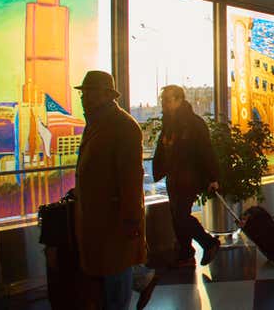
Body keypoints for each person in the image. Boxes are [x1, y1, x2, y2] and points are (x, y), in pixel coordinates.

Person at [73, 71, 146, 309]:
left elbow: (131, 180)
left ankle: (140, 283)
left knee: (116, 287)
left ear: (106, 95)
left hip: (115, 225)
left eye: (90, 93)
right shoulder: (96, 125)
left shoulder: (123, 127)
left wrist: (132, 221)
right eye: (83, 94)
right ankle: (141, 282)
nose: (84, 99)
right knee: (107, 288)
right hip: (98, 225)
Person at [152, 85, 221, 268]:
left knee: (181, 215)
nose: (164, 104)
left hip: (189, 177)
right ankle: (185, 253)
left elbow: (206, 151)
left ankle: (208, 243)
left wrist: (212, 177)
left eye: (167, 100)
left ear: (179, 100)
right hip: (174, 177)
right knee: (177, 215)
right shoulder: (170, 123)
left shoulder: (194, 123)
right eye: (163, 100)